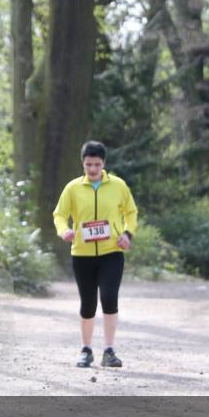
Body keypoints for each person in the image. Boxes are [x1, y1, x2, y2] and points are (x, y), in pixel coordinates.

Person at [52, 140, 138, 369]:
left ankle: (109, 350)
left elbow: (131, 211)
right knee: (88, 303)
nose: (92, 169)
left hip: (112, 252)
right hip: (82, 254)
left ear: (104, 164)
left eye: (97, 165)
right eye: (88, 164)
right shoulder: (72, 188)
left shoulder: (118, 186)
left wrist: (128, 234)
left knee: (109, 298)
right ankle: (86, 349)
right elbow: (59, 215)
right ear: (83, 163)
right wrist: (64, 231)